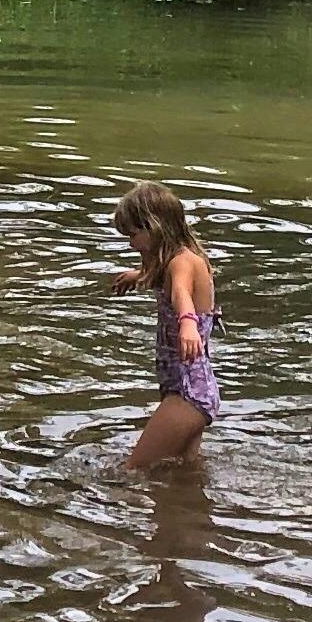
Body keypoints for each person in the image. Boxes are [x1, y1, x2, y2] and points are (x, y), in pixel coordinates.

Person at [108, 180, 220, 470]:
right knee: (182, 472)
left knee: (132, 471)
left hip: (187, 393)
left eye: (133, 235)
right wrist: (138, 275)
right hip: (191, 389)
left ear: (154, 228)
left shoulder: (181, 264)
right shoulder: (180, 259)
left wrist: (187, 324)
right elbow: (166, 278)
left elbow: (181, 292)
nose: (131, 244)